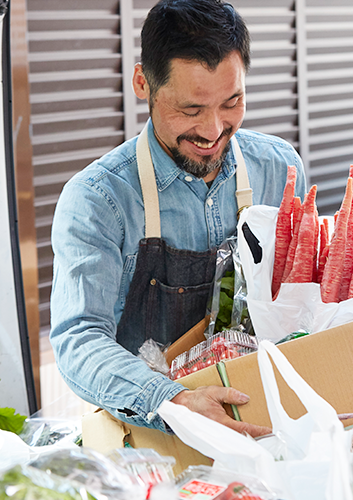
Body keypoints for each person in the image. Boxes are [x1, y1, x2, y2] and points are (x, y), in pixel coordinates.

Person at [49, 0, 306, 436]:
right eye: (190, 110)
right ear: (142, 83)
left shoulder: (280, 169)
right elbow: (79, 339)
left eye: (232, 102)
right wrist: (173, 402)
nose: (212, 131)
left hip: (270, 413)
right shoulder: (98, 200)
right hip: (155, 431)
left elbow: (303, 299)